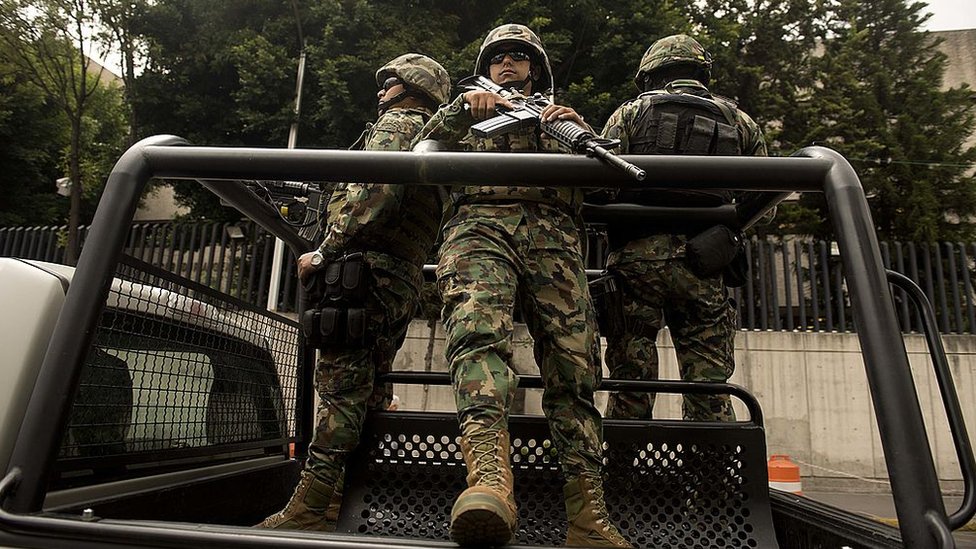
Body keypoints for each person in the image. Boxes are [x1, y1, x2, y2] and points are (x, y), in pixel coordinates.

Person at [414, 23, 631, 549]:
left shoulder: (558, 118)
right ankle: (489, 481)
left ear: (535, 68)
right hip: (478, 227)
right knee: (477, 340)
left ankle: (587, 514)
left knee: (575, 366)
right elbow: (423, 150)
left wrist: (575, 129)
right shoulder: (468, 108)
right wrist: (464, 110)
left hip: (553, 236)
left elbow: (605, 180)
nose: (506, 64)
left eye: (518, 57)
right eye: (497, 58)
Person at [257, 53, 451, 531]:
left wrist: (324, 250)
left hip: (364, 274)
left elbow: (372, 195)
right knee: (369, 393)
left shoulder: (399, 124)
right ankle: (338, 501)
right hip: (401, 277)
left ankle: (308, 508)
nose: (381, 90)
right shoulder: (436, 134)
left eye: (389, 81)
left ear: (411, 87)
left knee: (342, 391)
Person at [598, 34, 767, 422]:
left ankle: (620, 478)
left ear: (651, 75)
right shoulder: (739, 121)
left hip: (635, 264)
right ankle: (711, 480)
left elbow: (602, 183)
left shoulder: (630, 113)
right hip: (704, 265)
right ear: (702, 73)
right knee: (709, 386)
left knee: (631, 380)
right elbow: (764, 205)